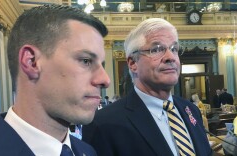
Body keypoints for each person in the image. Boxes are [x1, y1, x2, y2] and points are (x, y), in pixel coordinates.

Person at [0, 4, 110, 155]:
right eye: (86, 61)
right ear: (32, 62)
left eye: (101, 65)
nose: (105, 79)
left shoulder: (87, 151)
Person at [82, 18, 212, 156]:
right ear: (133, 63)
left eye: (174, 49)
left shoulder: (190, 110)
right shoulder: (103, 123)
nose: (170, 57)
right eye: (157, 49)